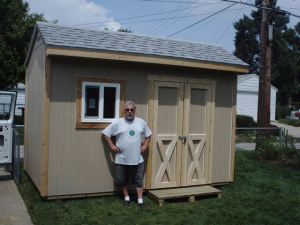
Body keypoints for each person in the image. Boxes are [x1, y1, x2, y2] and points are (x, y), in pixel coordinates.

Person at [102, 101, 152, 207]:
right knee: (121, 179)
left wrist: (145, 145)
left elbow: (148, 135)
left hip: (137, 158)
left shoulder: (141, 122)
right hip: (121, 158)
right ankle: (126, 198)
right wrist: (111, 146)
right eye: (127, 110)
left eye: (132, 110)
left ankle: (140, 201)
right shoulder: (118, 123)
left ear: (135, 110)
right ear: (124, 111)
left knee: (138, 180)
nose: (129, 112)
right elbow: (106, 133)